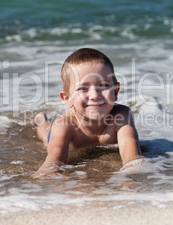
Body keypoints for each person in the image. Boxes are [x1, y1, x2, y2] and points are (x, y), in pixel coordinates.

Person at [32, 48, 143, 179]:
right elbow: (55, 157)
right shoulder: (65, 125)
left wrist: (135, 170)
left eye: (103, 85)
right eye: (83, 88)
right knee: (47, 137)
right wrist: (47, 172)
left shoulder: (121, 115)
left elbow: (130, 149)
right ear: (67, 98)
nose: (95, 95)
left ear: (116, 91)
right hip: (57, 135)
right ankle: (42, 121)